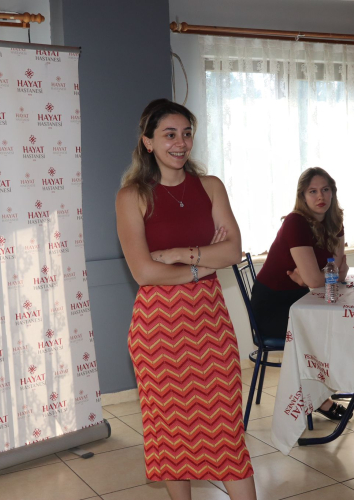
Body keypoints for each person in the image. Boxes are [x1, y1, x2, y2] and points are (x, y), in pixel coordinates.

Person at [115, 99, 256, 500]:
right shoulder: (131, 196)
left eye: (187, 133)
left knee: (227, 431)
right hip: (158, 331)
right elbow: (144, 272)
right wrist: (203, 266)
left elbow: (232, 251)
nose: (180, 143)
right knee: (169, 434)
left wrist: (180, 254)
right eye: (169, 134)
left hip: (210, 323)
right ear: (148, 142)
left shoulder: (210, 187)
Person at [250, 167, 350, 420]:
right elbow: (320, 279)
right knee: (328, 329)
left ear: (333, 192)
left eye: (325, 189)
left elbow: (338, 272)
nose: (320, 196)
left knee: (343, 324)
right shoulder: (296, 222)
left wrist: (310, 278)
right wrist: (314, 279)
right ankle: (320, 398)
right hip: (274, 306)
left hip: (299, 300)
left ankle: (324, 388)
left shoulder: (334, 220)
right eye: (312, 191)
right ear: (302, 196)